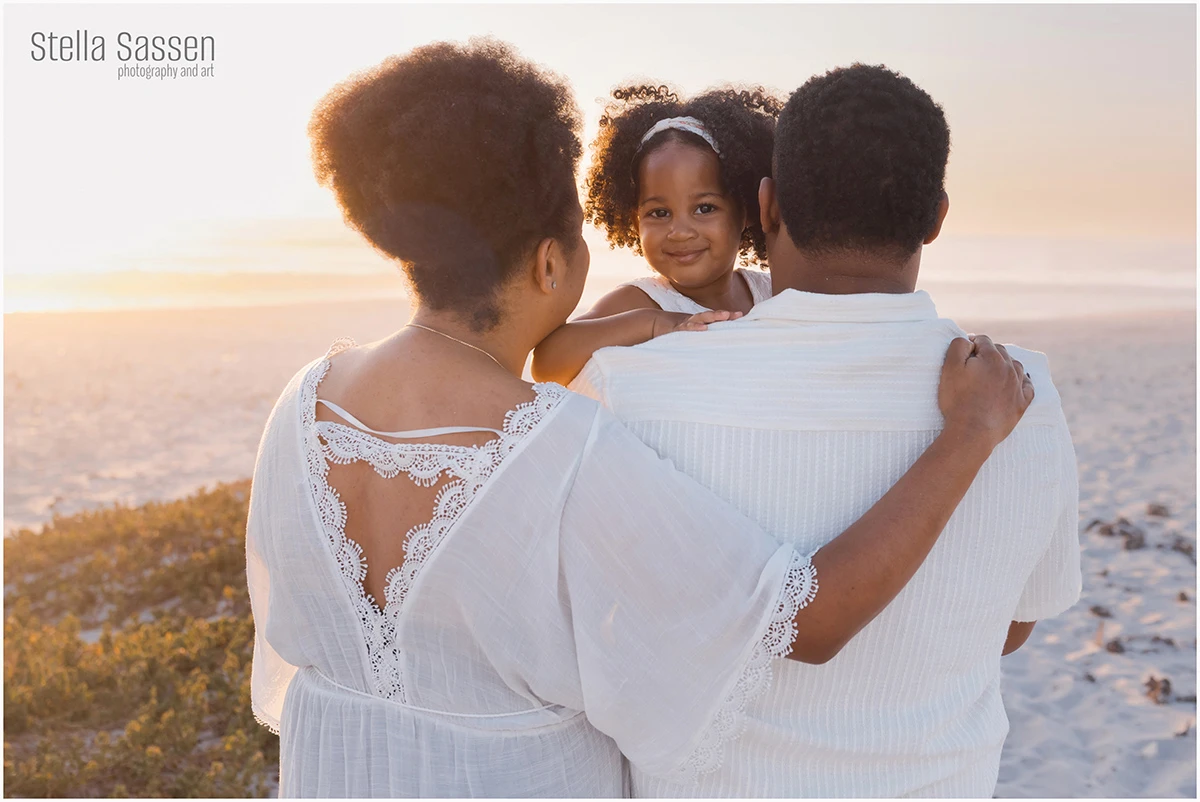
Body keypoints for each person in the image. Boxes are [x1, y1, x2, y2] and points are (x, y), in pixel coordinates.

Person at [246, 42, 1033, 798]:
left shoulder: (301, 401)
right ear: (552, 262)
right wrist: (967, 436)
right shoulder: (565, 448)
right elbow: (809, 619)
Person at [574, 64, 1082, 798]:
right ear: (935, 217)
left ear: (768, 206)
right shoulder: (1020, 392)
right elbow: (1010, 626)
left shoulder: (632, 386)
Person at [532, 86, 779, 385]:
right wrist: (653, 325)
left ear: (747, 211)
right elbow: (547, 362)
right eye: (659, 213)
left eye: (704, 208)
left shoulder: (770, 292)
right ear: (634, 221)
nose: (680, 232)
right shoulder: (643, 302)